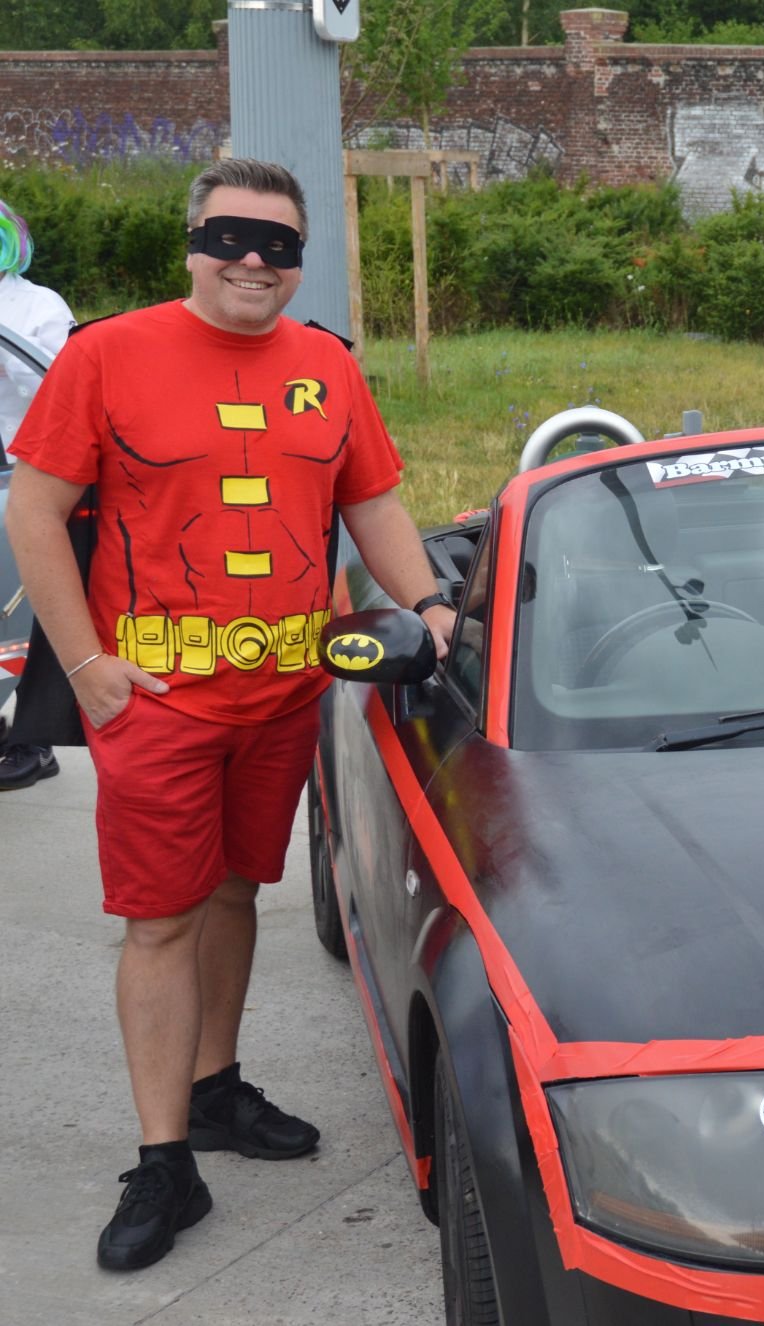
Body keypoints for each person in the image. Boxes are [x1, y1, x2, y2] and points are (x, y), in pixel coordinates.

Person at [4, 158, 459, 1272]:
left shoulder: (327, 367)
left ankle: (214, 1089)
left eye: (280, 244)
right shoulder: (107, 353)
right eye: (231, 236)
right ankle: (166, 1161)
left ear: (303, 259)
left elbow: (375, 499)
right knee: (159, 920)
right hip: (156, 703)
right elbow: (35, 506)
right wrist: (88, 665)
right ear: (193, 242)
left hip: (284, 695)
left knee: (236, 891)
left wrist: (434, 605)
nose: (254, 260)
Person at [0, 194, 75, 791]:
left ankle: (31, 740)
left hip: (25, 477)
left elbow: (62, 379)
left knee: (26, 609)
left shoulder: (37, 305)